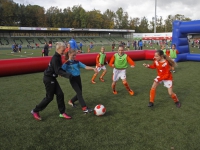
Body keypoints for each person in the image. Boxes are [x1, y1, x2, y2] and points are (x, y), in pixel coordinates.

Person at [31, 42, 73, 121]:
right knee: (49, 97)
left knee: (60, 94)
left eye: (64, 49)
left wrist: (61, 72)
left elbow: (57, 69)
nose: (64, 51)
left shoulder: (58, 56)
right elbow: (57, 70)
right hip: (48, 79)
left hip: (52, 78)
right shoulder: (55, 58)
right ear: (57, 49)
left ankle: (62, 112)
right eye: (62, 50)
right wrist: (69, 75)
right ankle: (35, 111)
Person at [62, 49, 98, 113]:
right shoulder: (66, 63)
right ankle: (84, 108)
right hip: (72, 79)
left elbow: (85, 67)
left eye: (75, 55)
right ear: (69, 54)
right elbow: (61, 70)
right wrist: (61, 74)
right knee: (79, 93)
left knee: (79, 93)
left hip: (78, 78)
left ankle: (71, 101)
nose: (74, 57)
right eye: (73, 55)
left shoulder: (77, 62)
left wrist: (93, 68)